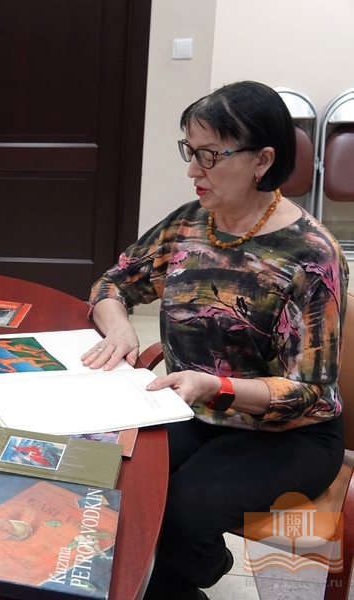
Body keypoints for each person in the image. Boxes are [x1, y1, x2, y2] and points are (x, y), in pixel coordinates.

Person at [82, 81, 348, 600]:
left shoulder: (312, 256)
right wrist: (119, 326)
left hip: (287, 432)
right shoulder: (190, 224)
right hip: (194, 409)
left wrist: (214, 386)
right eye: (190, 151)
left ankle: (191, 576)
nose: (192, 170)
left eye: (209, 155)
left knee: (183, 510)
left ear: (262, 160)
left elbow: (310, 393)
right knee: (113, 470)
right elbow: (113, 283)